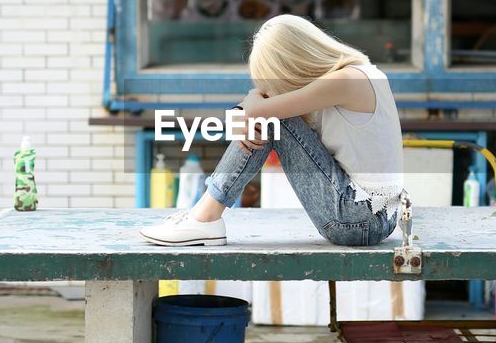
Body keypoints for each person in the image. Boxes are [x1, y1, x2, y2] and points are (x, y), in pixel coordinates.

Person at [140, 15, 403, 247]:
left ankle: (205, 216)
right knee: (269, 116)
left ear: (292, 64)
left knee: (275, 120)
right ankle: (202, 214)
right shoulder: (360, 74)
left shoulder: (347, 80)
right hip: (375, 218)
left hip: (357, 219)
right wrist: (241, 115)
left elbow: (261, 110)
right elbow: (254, 109)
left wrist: (246, 111)